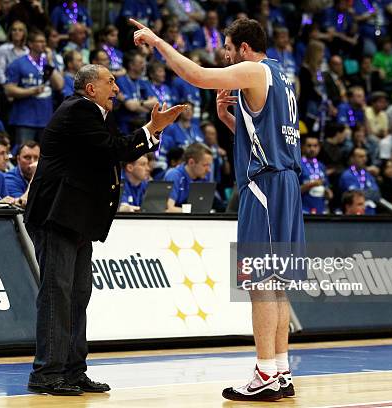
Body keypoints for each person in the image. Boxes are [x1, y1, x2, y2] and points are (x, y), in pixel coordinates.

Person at [132, 17, 303, 401]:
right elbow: (266, 136)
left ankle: (264, 373)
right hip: (285, 183)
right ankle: (280, 369)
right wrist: (229, 119)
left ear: (244, 48)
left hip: (266, 185)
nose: (224, 56)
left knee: (261, 284)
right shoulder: (281, 75)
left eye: (227, 48)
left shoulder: (254, 70)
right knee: (276, 284)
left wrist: (158, 41)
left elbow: (196, 75)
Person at [23, 64, 186, 396]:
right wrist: (152, 128)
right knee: (58, 294)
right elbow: (113, 151)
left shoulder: (95, 114)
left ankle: (72, 370)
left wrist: (150, 131)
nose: (116, 87)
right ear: (90, 88)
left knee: (78, 295)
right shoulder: (78, 110)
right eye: (110, 81)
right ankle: (47, 373)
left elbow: (109, 153)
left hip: (77, 218)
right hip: (57, 216)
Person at [5, 29, 64, 144]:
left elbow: (59, 85)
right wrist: (31, 91)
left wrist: (51, 62)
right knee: (25, 152)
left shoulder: (47, 63)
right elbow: (9, 90)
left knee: (45, 156)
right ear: (31, 44)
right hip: (25, 118)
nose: (44, 44)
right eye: (40, 41)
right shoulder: (18, 64)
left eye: (44, 42)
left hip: (46, 118)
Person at [164, 142, 213, 212]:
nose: (209, 170)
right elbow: (169, 209)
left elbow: (203, 208)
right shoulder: (174, 175)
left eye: (209, 165)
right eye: (205, 165)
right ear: (191, 162)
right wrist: (194, 211)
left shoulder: (204, 176)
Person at [339, 148, 381, 214]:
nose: (364, 159)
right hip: (354, 216)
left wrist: (363, 193)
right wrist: (368, 193)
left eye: (365, 156)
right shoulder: (347, 175)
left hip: (371, 214)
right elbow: (355, 196)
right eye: (361, 157)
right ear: (352, 158)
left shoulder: (367, 174)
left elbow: (377, 195)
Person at [299, 134, 331, 214]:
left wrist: (328, 193)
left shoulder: (321, 166)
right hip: (304, 209)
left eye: (315, 146)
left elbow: (327, 187)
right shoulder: (298, 164)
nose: (312, 149)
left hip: (321, 210)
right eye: (309, 146)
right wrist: (311, 185)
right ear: (302, 147)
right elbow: (293, 191)